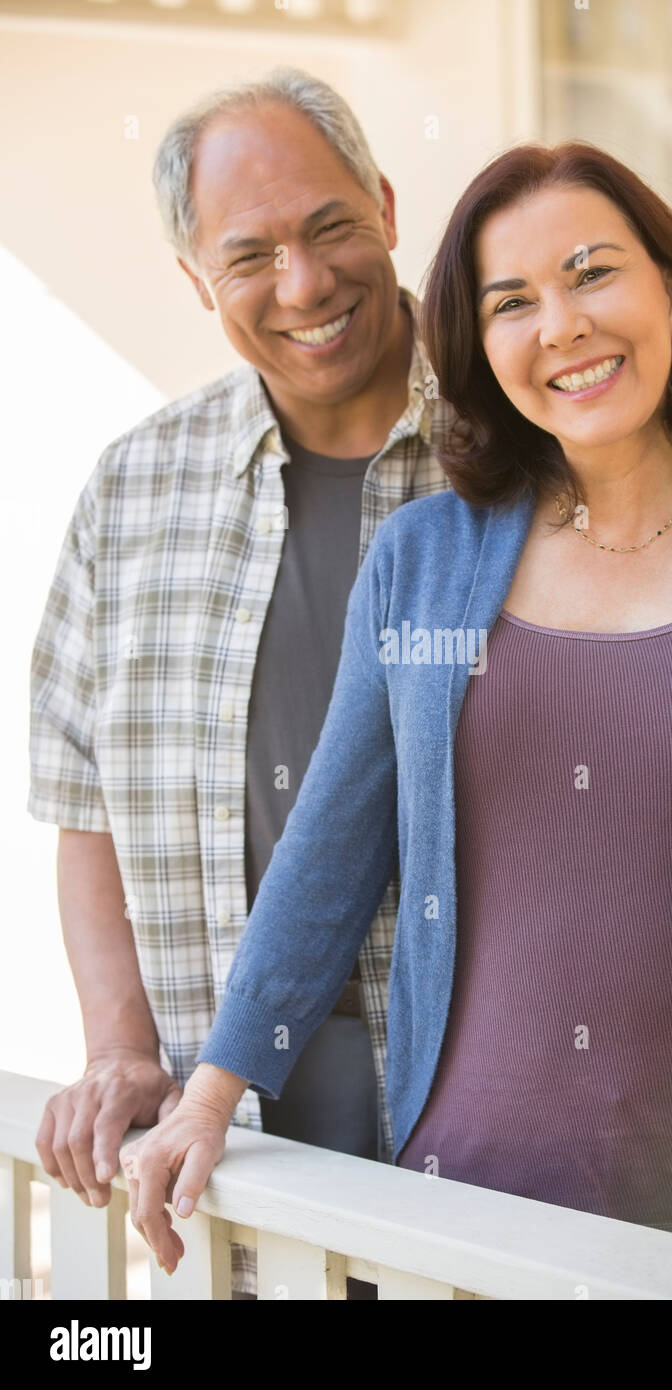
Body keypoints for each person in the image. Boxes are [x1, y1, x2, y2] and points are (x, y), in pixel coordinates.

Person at [124, 139, 672, 1286]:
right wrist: (212, 1090)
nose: (559, 324)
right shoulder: (420, 559)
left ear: (670, 293)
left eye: (590, 273)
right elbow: (329, 848)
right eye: (511, 301)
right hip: (454, 1232)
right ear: (480, 349)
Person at [28, 68, 450, 1298]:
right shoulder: (132, 490)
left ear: (381, 203)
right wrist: (118, 1048)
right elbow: (83, 805)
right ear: (195, 281)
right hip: (233, 1176)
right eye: (250, 254)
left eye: (328, 228)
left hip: (498, 1175)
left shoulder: (523, 453)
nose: (304, 285)